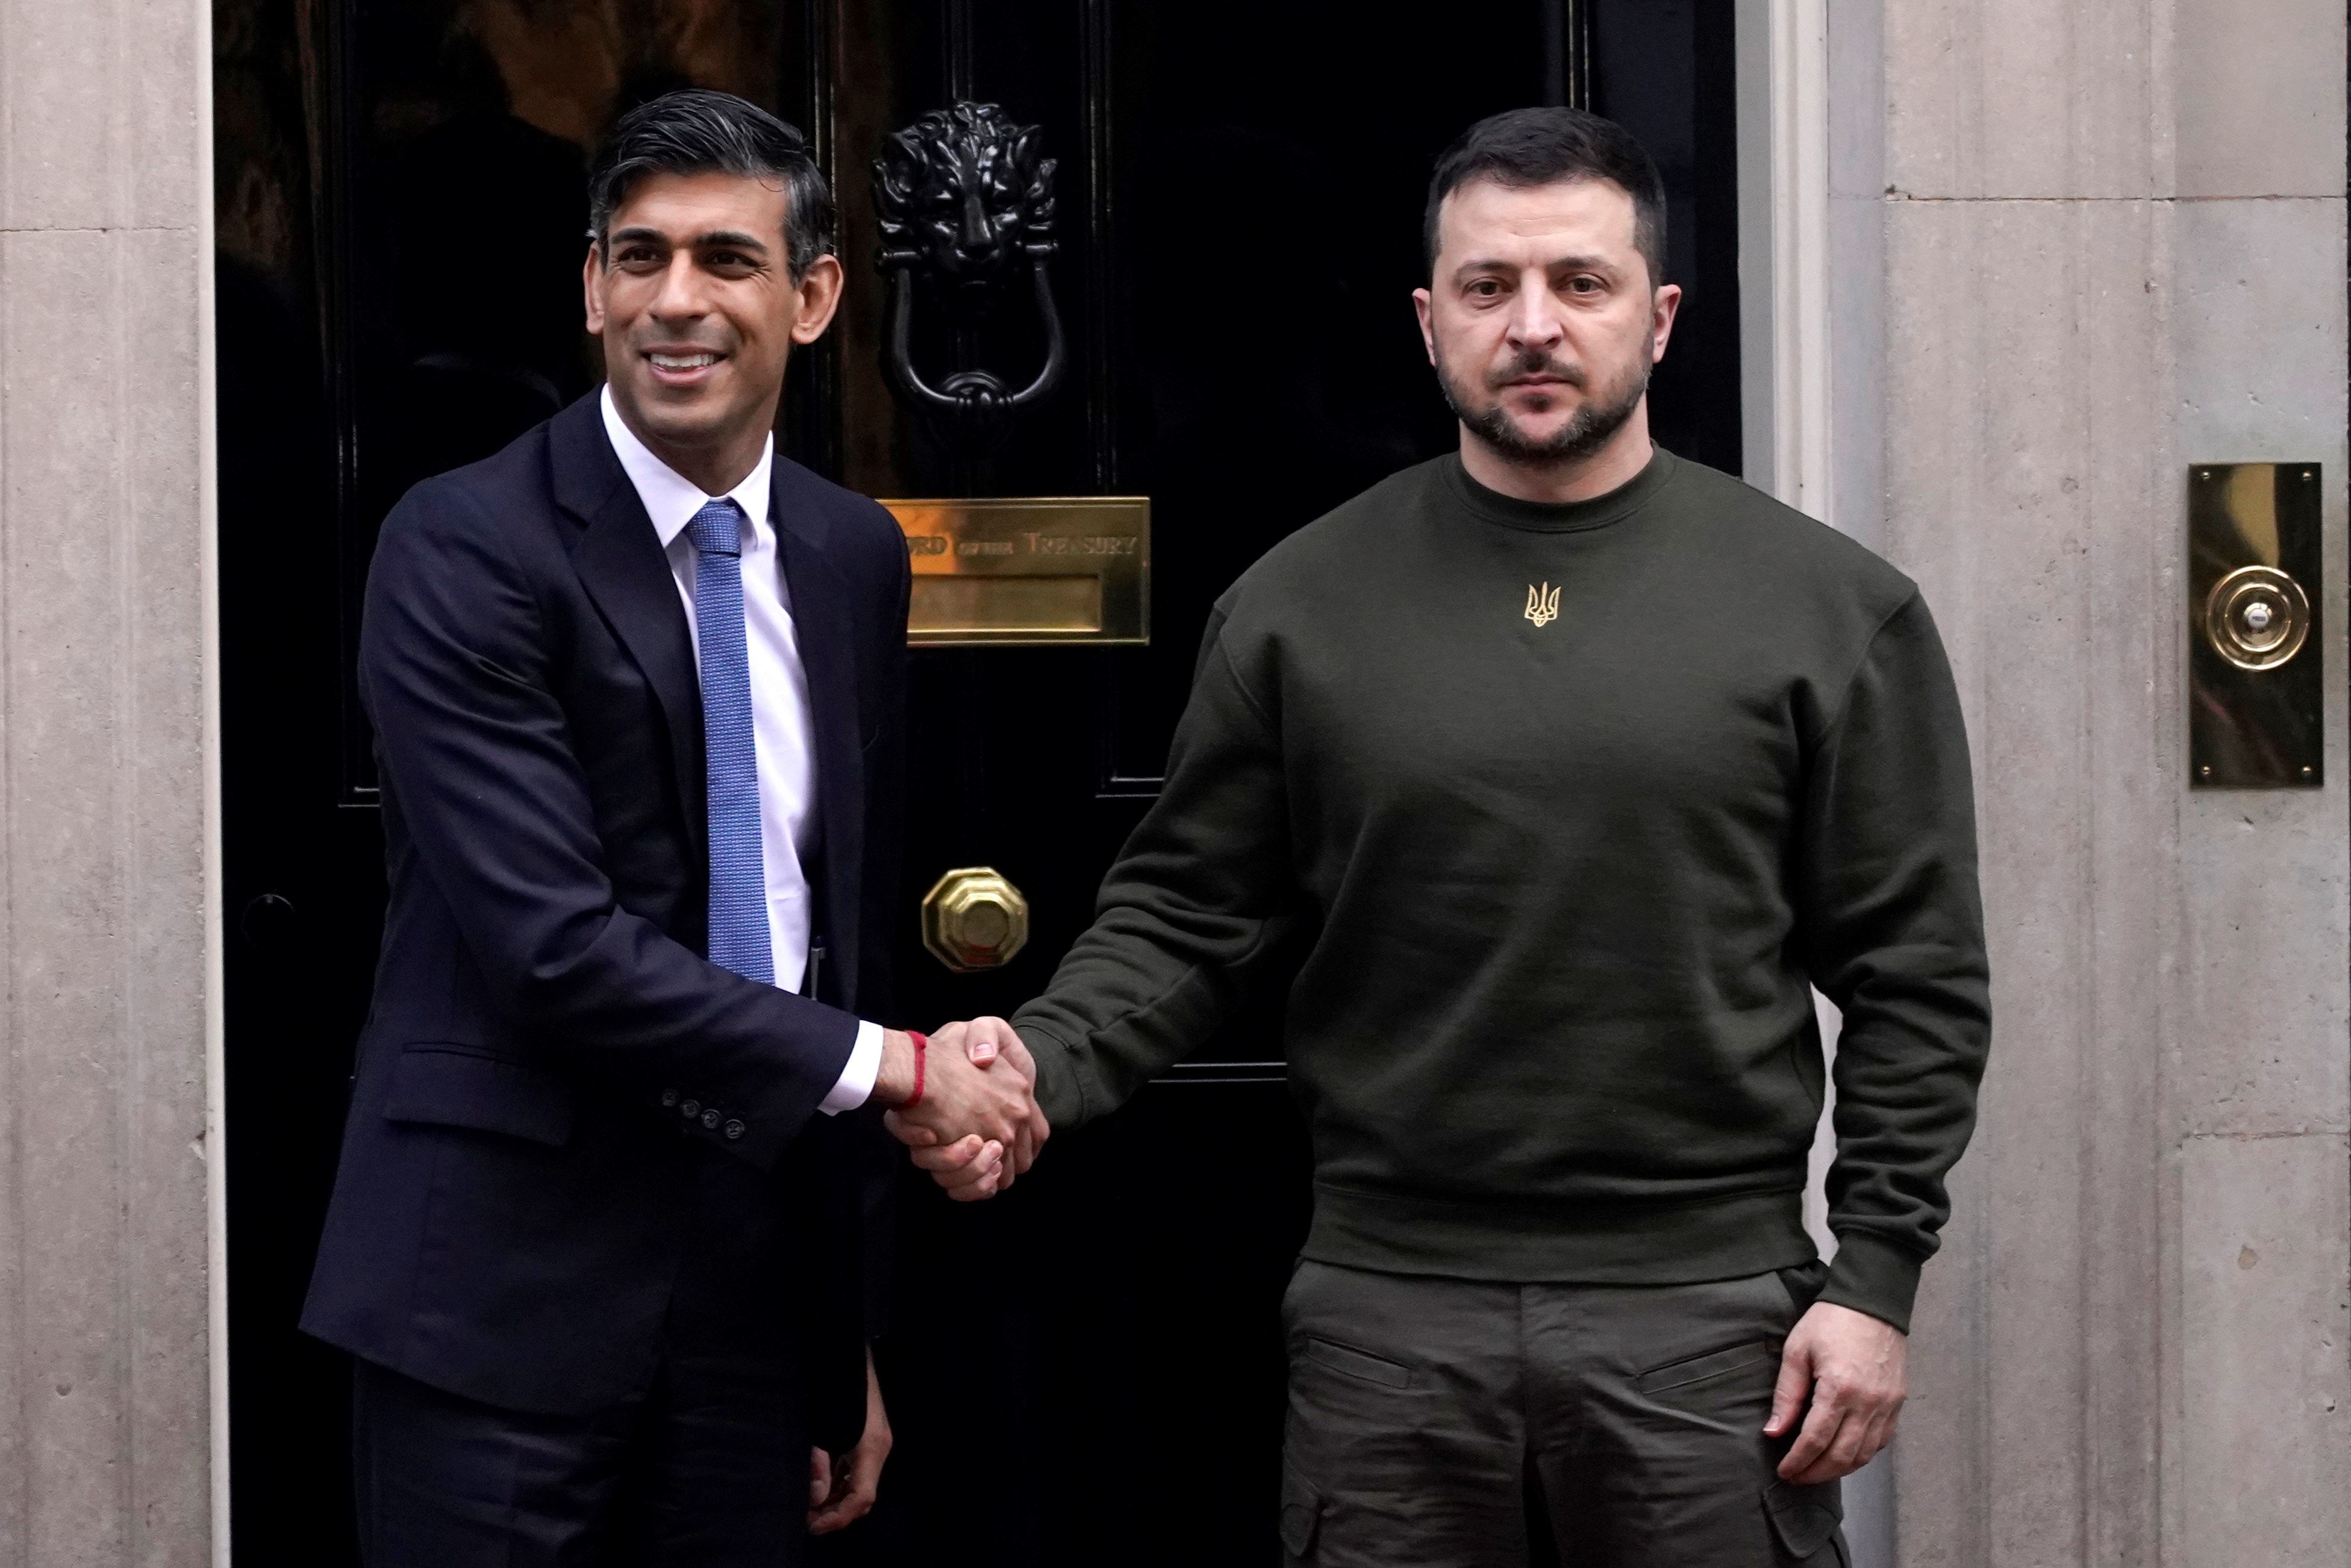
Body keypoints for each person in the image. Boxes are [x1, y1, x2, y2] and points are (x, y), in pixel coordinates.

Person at [905, 106, 1991, 1565]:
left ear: (1659, 318)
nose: (1532, 325)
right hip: (1386, 1322)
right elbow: (1184, 916)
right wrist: (1033, 1061)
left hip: (1706, 1325)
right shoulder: (1301, 604)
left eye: (1579, 284)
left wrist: (1871, 1280)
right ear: (1428, 323)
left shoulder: (1827, 611)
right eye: (1488, 288)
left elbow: (1915, 974)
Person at [301, 89, 1038, 1566]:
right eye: (636, 259)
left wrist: (849, 1338)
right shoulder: (462, 545)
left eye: (724, 259)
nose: (674, 302)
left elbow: (824, 937)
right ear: (588, 288)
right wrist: (904, 1072)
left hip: (755, 1303)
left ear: (816, 296)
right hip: (499, 1298)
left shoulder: (849, 555)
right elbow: (557, 952)